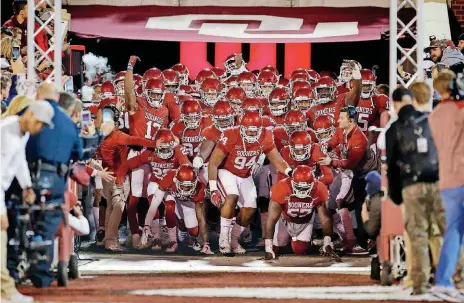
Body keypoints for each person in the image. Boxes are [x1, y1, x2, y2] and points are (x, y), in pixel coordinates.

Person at [385, 87, 445, 295]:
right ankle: (456, 280)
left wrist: (395, 194)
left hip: (412, 185)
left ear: (395, 103)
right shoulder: (431, 119)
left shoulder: (394, 128)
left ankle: (419, 285)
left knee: (417, 236)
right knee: (447, 234)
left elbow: (391, 165)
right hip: (439, 183)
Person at [25, 83, 83, 288]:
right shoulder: (68, 123)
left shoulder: (29, 112)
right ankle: (40, 272)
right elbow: (78, 154)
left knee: (24, 218)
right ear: (57, 98)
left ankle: (18, 265)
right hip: (55, 178)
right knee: (48, 222)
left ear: (38, 95)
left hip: (27, 174)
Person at [1, 100, 55, 303]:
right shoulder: (8, 133)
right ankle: (5, 291)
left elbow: (19, 161)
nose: (39, 128)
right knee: (1, 241)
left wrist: (27, 186)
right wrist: (1, 211)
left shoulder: (18, 130)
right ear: (30, 115)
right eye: (40, 123)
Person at [429, 71, 464, 302]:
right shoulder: (459, 110)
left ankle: (443, 280)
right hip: (460, 176)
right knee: (454, 231)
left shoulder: (434, 114)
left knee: (454, 230)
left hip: (445, 179)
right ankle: (443, 281)